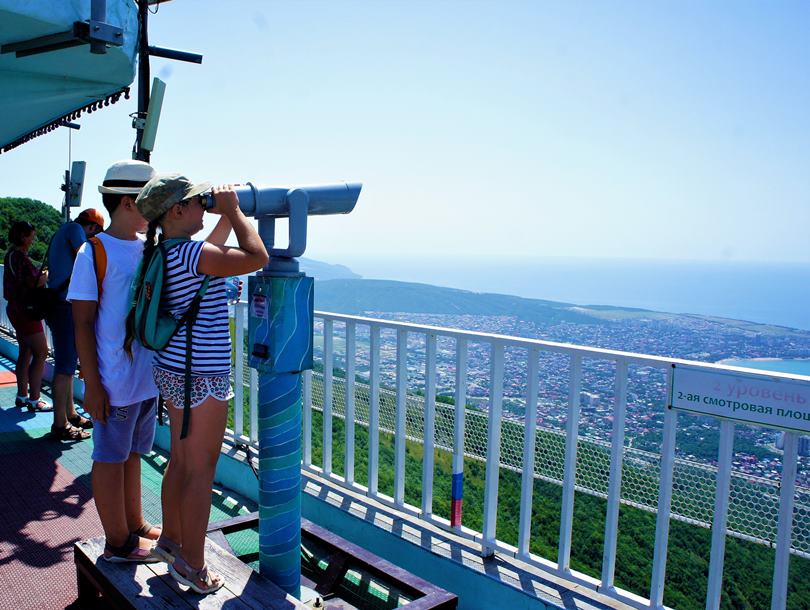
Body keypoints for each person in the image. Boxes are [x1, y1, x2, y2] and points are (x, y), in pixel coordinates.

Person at [130, 174, 267, 594]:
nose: (202, 208)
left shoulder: (164, 251)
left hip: (173, 368)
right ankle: (192, 564)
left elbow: (211, 253)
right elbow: (255, 256)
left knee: (181, 462)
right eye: (195, 202)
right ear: (176, 211)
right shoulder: (192, 255)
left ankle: (171, 541)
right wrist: (235, 210)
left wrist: (221, 213)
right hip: (201, 374)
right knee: (201, 471)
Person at [69, 160, 162, 562]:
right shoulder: (93, 253)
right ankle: (118, 540)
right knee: (109, 459)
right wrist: (91, 383)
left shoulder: (149, 248)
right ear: (129, 202)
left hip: (145, 379)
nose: (156, 212)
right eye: (152, 202)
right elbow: (82, 323)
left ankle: (135, 523)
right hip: (114, 381)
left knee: (134, 454)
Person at [45, 208, 104, 440]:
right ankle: (60, 424)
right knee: (65, 367)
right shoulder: (74, 230)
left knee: (68, 366)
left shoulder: (64, 230)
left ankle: (69, 413)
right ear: (92, 228)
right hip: (64, 307)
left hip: (59, 305)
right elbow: (90, 258)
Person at [3, 221, 51, 412]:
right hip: (26, 310)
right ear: (23, 236)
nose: (33, 240)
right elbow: (35, 281)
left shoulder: (10, 255)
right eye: (31, 236)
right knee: (41, 352)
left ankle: (22, 396)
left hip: (15, 309)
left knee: (25, 352)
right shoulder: (21, 258)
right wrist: (45, 275)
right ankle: (35, 399)